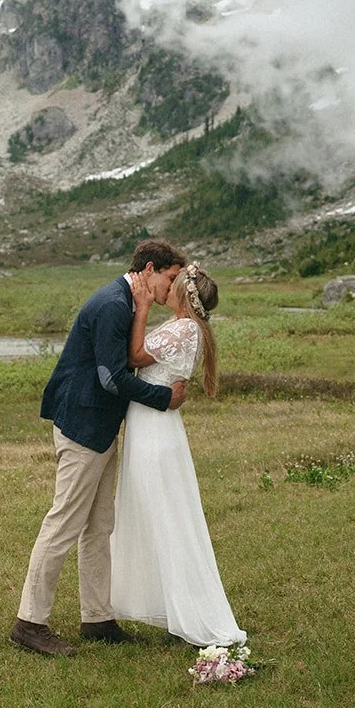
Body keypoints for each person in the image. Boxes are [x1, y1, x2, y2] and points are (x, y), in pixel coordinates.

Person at [11, 240, 189, 658]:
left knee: (99, 524)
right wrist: (163, 399)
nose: (173, 287)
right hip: (83, 425)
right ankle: (29, 623)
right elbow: (112, 378)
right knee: (64, 523)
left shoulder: (128, 301)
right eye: (170, 278)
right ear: (150, 269)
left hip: (101, 425)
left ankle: (97, 617)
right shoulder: (112, 304)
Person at [110, 262, 246, 647]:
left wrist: (140, 308)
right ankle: (166, 604)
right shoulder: (186, 327)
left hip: (154, 428)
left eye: (175, 283)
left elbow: (135, 357)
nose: (167, 286)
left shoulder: (184, 328)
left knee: (165, 514)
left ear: (185, 295)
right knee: (156, 512)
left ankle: (188, 611)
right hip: (152, 423)